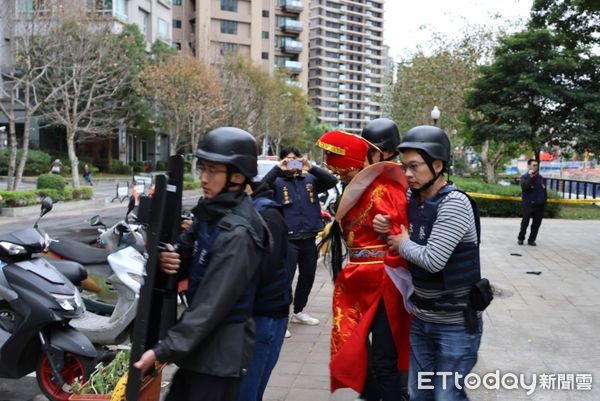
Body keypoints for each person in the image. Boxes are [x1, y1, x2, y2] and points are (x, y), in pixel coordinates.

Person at [133, 127, 272, 401]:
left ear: (238, 175)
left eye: (213, 171)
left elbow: (212, 304)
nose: (204, 179)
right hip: (200, 352)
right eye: (202, 169)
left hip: (219, 360)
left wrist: (162, 350)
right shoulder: (212, 214)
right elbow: (186, 252)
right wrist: (169, 259)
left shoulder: (238, 233)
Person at [374, 125, 490, 401]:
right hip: (422, 317)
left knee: (446, 395)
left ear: (437, 165)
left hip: (455, 324)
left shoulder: (454, 204)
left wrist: (400, 241)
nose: (408, 174)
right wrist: (386, 228)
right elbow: (403, 237)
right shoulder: (412, 201)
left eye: (415, 166)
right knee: (419, 393)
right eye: (404, 167)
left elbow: (433, 260)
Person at [316, 130, 411, 401]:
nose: (343, 178)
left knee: (383, 358)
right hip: (356, 279)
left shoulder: (387, 189)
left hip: (384, 281)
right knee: (353, 346)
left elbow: (405, 232)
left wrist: (390, 228)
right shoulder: (353, 188)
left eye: (344, 173)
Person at [261, 146, 338, 328]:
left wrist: (310, 167)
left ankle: (299, 311)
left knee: (308, 276)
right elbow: (262, 186)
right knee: (285, 278)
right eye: (288, 159)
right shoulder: (277, 182)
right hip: (288, 239)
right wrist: (278, 168)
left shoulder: (309, 179)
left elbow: (332, 180)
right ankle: (282, 317)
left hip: (309, 238)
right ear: (282, 161)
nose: (292, 162)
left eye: (295, 158)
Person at [238, 181, 292, 401]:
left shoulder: (267, 215)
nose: (205, 179)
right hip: (254, 314)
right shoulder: (240, 210)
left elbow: (262, 272)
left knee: (247, 391)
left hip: (264, 315)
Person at [518, 158, 547, 246]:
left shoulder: (540, 177)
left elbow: (544, 190)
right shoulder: (524, 177)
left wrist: (544, 201)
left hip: (539, 205)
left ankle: (532, 240)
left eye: (536, 165)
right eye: (533, 165)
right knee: (525, 222)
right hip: (528, 204)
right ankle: (521, 238)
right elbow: (525, 188)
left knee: (536, 224)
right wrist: (530, 177)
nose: (535, 167)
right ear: (529, 166)